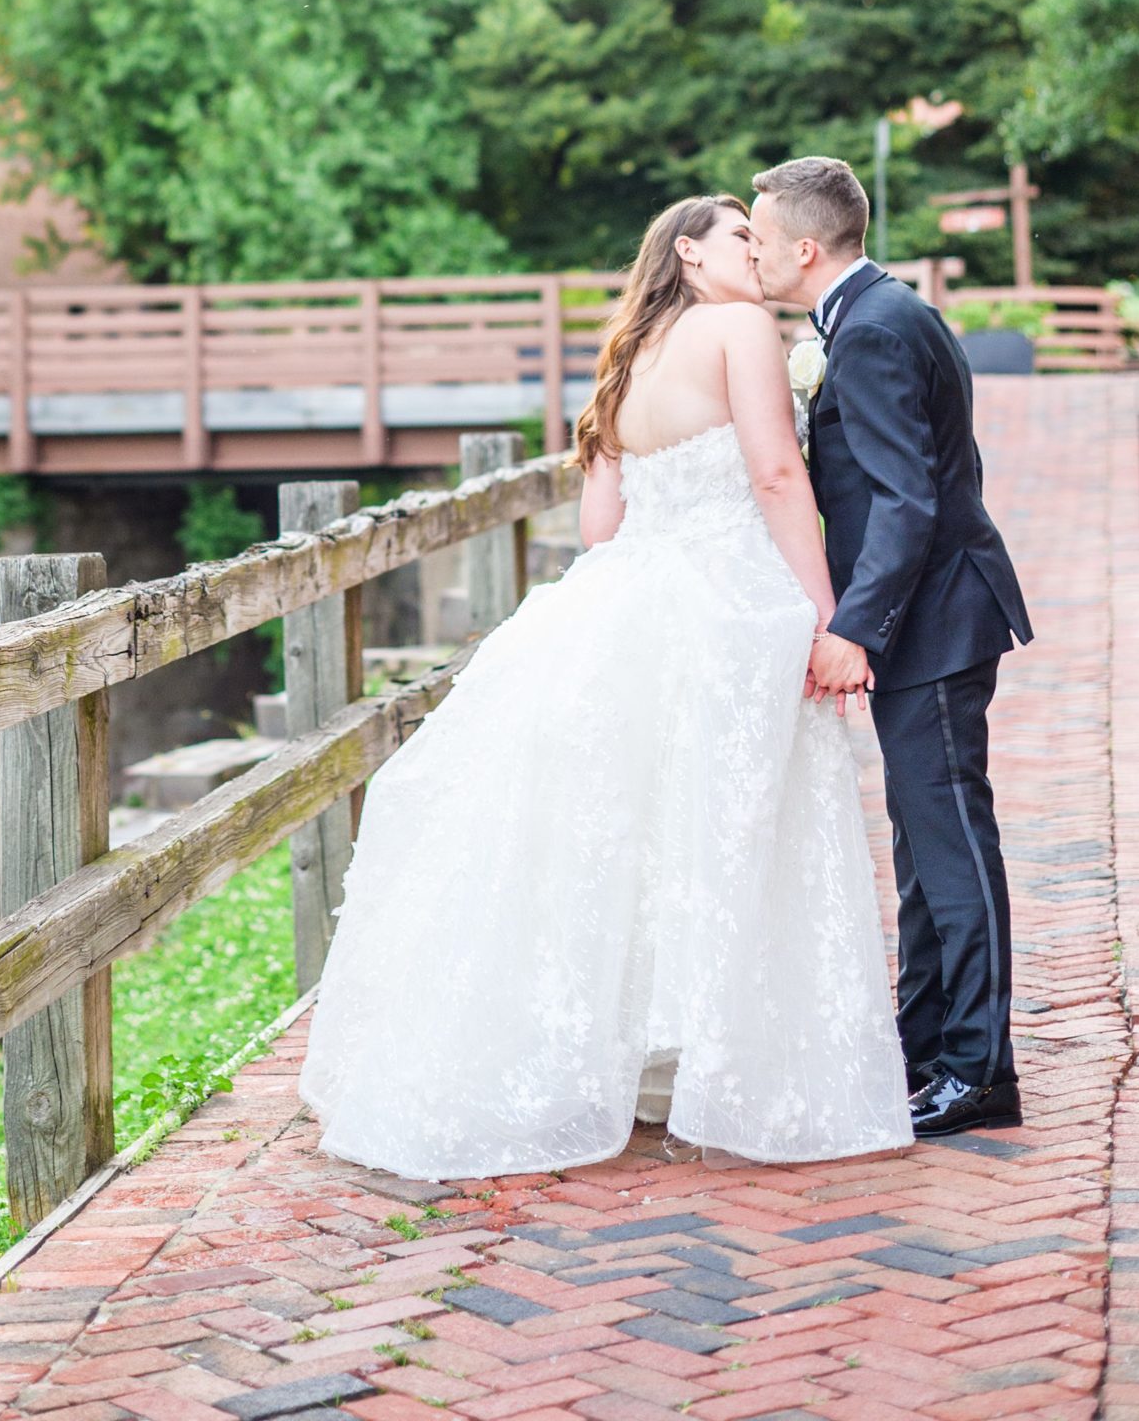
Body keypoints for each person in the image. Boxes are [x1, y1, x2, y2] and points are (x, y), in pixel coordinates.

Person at [299, 194, 912, 1177]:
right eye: (738, 238)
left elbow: (598, 527)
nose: (754, 254)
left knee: (624, 828)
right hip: (727, 597)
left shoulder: (628, 347)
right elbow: (773, 475)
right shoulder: (737, 326)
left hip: (623, 593)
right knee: (728, 821)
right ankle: (722, 1059)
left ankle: (621, 1057)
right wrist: (825, 610)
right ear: (688, 252)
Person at [749, 158, 1031, 1139]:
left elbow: (907, 499)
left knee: (950, 848)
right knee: (922, 851)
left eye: (756, 232)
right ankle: (924, 1052)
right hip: (931, 617)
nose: (747, 249)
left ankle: (977, 1070)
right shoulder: (871, 315)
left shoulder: (866, 331)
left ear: (802, 246)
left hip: (935, 622)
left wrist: (850, 628)